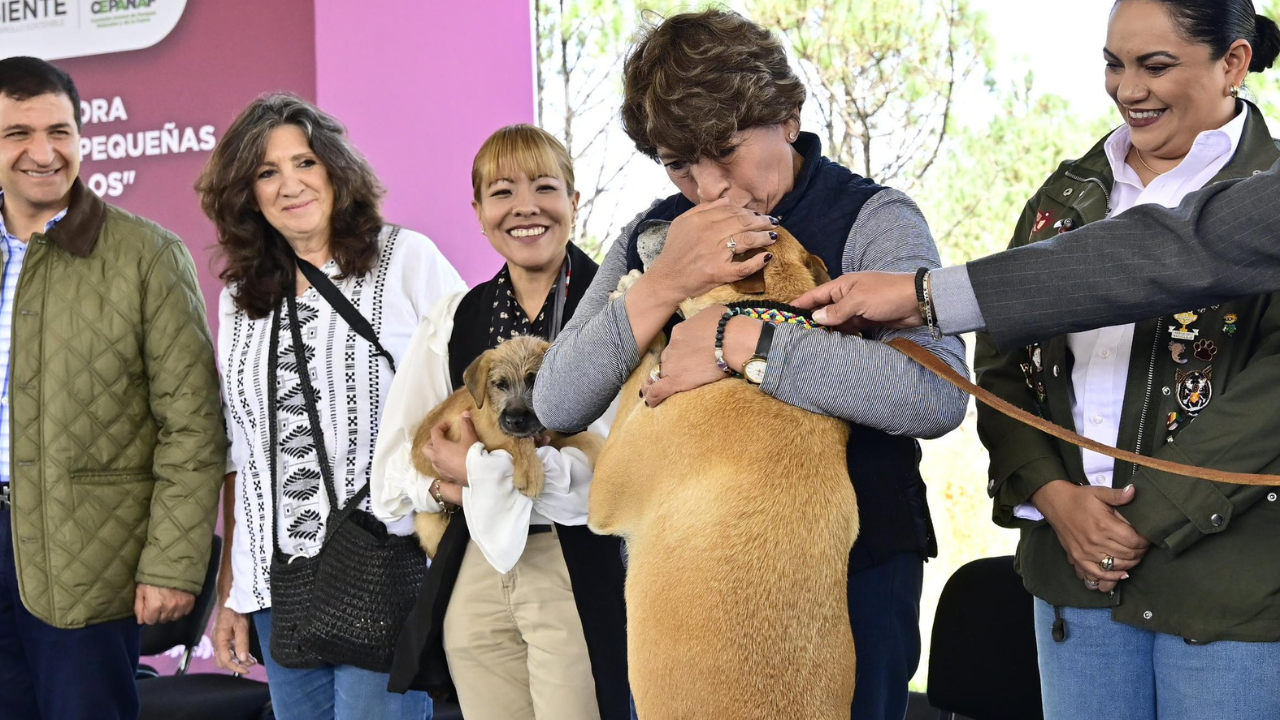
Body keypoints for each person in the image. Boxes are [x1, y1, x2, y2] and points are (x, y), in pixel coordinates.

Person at [530, 10, 968, 720]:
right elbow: (555, 401)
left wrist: (748, 342)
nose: (708, 187)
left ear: (787, 117)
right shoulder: (652, 236)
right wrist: (666, 282)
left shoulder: (872, 219)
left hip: (848, 572)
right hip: (683, 578)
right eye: (678, 163)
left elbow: (935, 396)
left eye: (725, 151)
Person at [974, 2, 1280, 717]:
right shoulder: (1064, 196)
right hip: (1073, 576)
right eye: (1114, 64)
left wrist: (1147, 515)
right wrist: (1053, 495)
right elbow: (1002, 361)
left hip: (1231, 589)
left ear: (1233, 63)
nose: (1128, 88)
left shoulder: (1270, 197)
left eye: (1156, 65)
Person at [200, 93, 464, 720]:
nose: (290, 185)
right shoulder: (240, 297)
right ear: (248, 195)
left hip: (385, 565)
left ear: (335, 169)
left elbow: (471, 390)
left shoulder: (406, 259)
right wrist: (234, 589)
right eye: (267, 172)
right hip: (279, 586)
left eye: (305, 162)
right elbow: (242, 452)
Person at [373, 124, 629, 720]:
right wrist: (450, 486)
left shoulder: (619, 310)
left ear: (574, 201)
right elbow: (393, 474)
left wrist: (477, 469)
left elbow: (626, 467)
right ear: (479, 214)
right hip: (474, 567)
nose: (525, 207)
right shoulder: (454, 318)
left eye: (545, 187)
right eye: (502, 192)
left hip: (579, 566)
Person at [0, 57, 225, 720]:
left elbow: (192, 424)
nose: (44, 152)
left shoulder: (147, 255)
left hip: (88, 559)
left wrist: (173, 564)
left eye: (59, 132)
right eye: (18, 134)